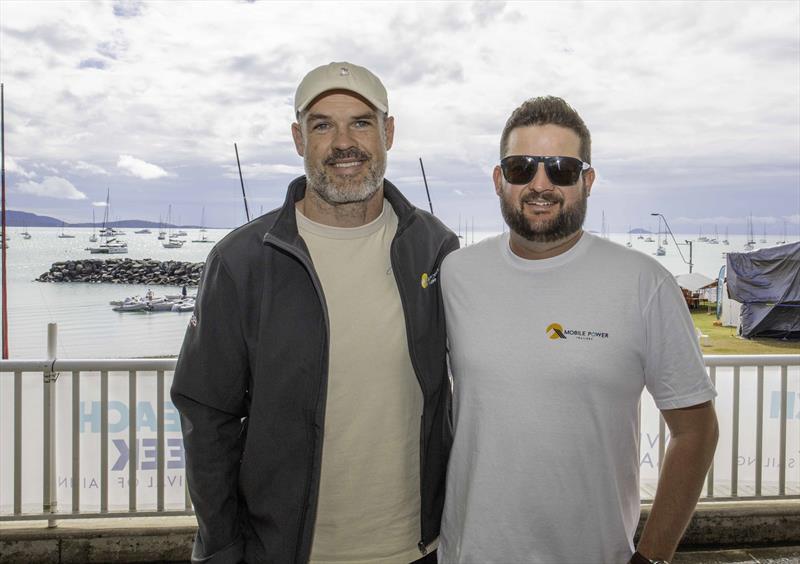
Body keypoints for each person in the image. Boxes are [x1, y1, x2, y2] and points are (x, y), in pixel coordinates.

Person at [171, 62, 458, 564]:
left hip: (421, 548)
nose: (343, 142)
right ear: (298, 139)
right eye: (322, 125)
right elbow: (207, 416)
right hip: (284, 551)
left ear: (388, 132)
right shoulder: (243, 261)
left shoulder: (435, 248)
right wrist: (220, 547)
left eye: (362, 123)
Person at [438, 96, 719, 564]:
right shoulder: (456, 274)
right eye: (522, 167)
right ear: (498, 180)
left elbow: (696, 431)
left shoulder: (643, 283)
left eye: (562, 170)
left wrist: (652, 557)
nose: (540, 184)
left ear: (587, 181)